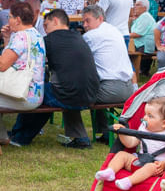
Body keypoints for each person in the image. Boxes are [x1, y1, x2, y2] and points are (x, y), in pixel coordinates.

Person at [7, 9, 99, 147]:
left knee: (35, 93)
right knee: (57, 92)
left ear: (55, 21)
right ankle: (81, 139)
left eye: (46, 25)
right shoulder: (78, 37)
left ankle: (20, 136)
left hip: (69, 94)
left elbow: (27, 58)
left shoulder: (49, 40)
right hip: (91, 94)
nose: (45, 30)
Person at [0, 2, 46, 156]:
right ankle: (1, 136)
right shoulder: (36, 34)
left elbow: (2, 64)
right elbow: (14, 58)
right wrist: (6, 38)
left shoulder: (19, 37)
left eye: (10, 17)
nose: (8, 21)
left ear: (18, 20)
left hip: (22, 94)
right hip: (35, 94)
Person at [67, 5, 135, 145]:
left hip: (111, 89)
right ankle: (105, 132)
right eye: (83, 21)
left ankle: (80, 138)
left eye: (88, 21)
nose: (85, 25)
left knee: (69, 94)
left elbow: (74, 57)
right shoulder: (113, 30)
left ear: (100, 18)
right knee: (93, 88)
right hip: (128, 88)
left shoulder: (91, 36)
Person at [95, 97, 165, 190]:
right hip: (139, 159)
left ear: (164, 123)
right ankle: (110, 171)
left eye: (150, 116)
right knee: (121, 154)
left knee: (150, 167)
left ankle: (129, 181)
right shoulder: (143, 128)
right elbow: (131, 143)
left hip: (156, 166)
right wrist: (122, 132)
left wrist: (164, 164)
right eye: (145, 114)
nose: (145, 118)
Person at [130, 0, 156, 74]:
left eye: (137, 5)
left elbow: (137, 34)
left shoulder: (145, 16)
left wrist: (122, 36)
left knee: (124, 45)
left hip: (144, 46)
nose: (135, 7)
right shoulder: (141, 17)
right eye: (134, 5)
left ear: (144, 8)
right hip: (140, 44)